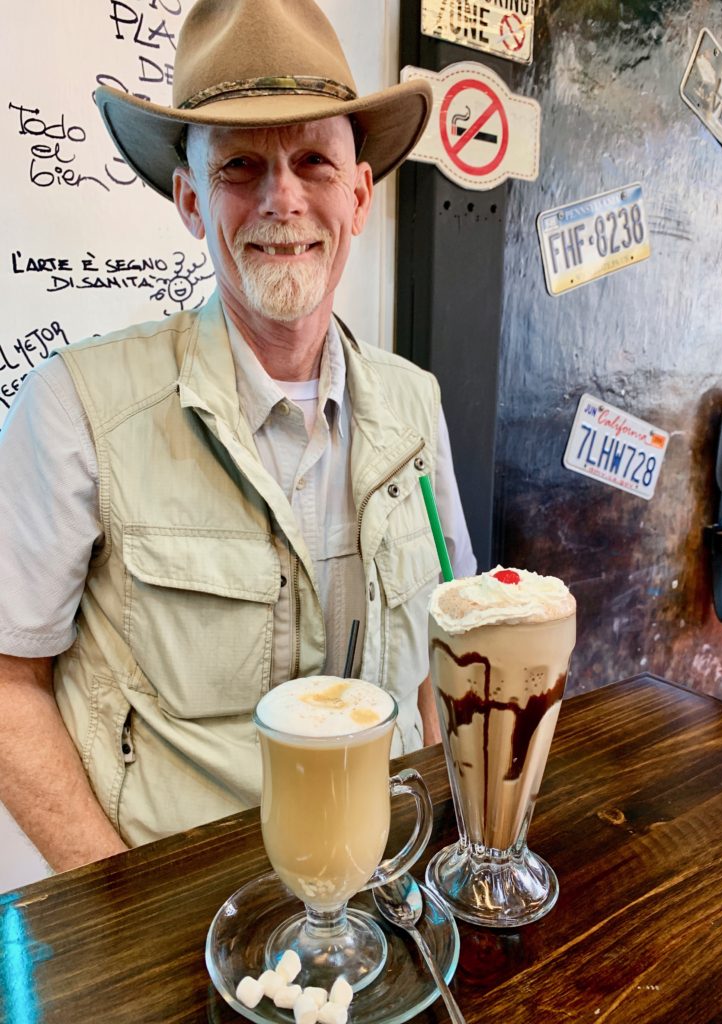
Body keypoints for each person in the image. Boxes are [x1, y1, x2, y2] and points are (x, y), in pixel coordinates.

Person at [0, 0, 475, 872]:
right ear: (189, 199)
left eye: (313, 162)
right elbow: (5, 685)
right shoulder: (76, 411)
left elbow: (443, 661)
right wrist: (119, 910)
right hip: (177, 926)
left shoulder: (417, 408)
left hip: (389, 900)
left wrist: (457, 845)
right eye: (241, 166)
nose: (282, 198)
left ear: (359, 195)